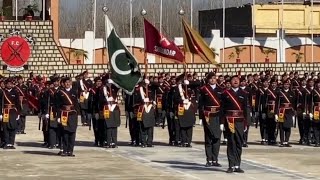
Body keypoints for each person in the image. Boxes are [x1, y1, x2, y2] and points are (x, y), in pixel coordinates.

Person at [221, 75, 248, 173]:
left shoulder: (244, 93)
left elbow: (245, 109)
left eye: (237, 80)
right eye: (233, 80)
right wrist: (222, 123)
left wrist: (246, 123)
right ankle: (231, 165)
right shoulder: (225, 93)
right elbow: (222, 109)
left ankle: (237, 165)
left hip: (240, 121)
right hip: (230, 121)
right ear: (230, 82)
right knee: (231, 143)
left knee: (238, 143)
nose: (236, 81)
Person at [199, 72, 223, 167]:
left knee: (217, 138)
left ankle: (215, 159)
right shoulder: (204, 89)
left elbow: (223, 105)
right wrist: (201, 117)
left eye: (214, 78)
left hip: (217, 115)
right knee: (208, 138)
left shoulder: (221, 90)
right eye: (211, 78)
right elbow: (201, 104)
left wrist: (222, 120)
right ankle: (209, 159)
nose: (213, 80)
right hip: (208, 116)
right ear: (208, 80)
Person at [56, 77, 79, 156]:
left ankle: (70, 151)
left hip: (73, 114)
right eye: (66, 82)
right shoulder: (60, 93)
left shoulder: (74, 92)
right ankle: (65, 150)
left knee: (72, 133)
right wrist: (58, 116)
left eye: (69, 82)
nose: (67, 84)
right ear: (63, 83)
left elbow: (76, 104)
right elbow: (58, 105)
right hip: (64, 114)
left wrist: (77, 113)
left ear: (71, 83)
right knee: (65, 133)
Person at [0, 78, 21, 149]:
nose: (9, 85)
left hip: (13, 112)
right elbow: (0, 103)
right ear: (6, 84)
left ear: (12, 84)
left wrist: (18, 113)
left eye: (10, 84)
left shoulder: (15, 92)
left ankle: (11, 143)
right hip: (5, 111)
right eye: (8, 83)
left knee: (13, 127)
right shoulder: (2, 92)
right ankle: (6, 142)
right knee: (5, 128)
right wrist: (0, 113)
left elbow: (18, 103)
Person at [275, 79, 296, 147]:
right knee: (281, 127)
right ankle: (282, 141)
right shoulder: (280, 93)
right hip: (282, 112)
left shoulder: (292, 93)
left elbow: (293, 104)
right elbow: (277, 104)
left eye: (287, 84)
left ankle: (286, 141)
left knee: (288, 127)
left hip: (289, 112)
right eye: (285, 84)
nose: (286, 85)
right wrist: (276, 113)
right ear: (283, 85)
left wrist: (293, 113)